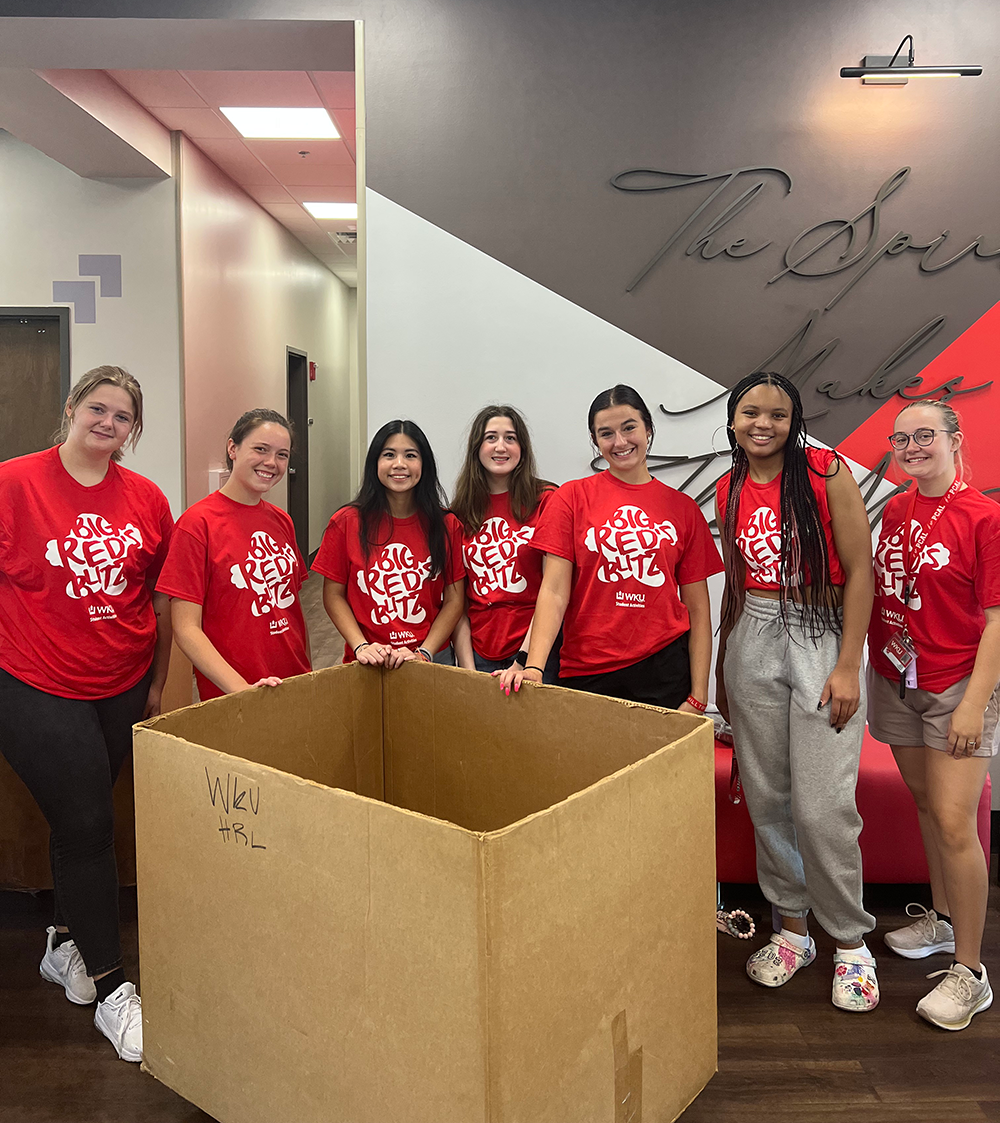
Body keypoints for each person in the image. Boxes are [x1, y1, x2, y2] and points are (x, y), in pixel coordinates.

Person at [0, 365, 173, 1061]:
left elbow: (156, 598)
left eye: (122, 416)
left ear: (133, 429)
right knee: (89, 823)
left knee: (84, 816)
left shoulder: (146, 497)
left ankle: (63, 943)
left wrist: (156, 684)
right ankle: (113, 991)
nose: (107, 423)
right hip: (34, 680)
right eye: (97, 408)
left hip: (120, 680)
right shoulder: (14, 482)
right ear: (72, 407)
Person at [715, 371, 877, 1013]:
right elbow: (734, 581)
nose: (763, 424)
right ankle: (792, 930)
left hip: (819, 631)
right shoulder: (730, 486)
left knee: (823, 805)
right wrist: (725, 673)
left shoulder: (825, 472)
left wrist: (847, 665)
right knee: (768, 797)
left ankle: (851, 944)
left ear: (794, 419)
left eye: (777, 414)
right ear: (732, 421)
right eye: (750, 413)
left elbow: (860, 570)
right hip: (751, 631)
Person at [868, 398, 999, 1030]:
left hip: (955, 685)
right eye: (901, 439)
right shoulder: (896, 507)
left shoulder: (984, 518)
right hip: (898, 677)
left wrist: (975, 704)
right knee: (924, 803)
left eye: (925, 436)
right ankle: (943, 925)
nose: (912, 447)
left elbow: (999, 622)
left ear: (954, 439)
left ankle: (971, 974)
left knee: (953, 821)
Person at [500, 384, 721, 711]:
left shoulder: (683, 509)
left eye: (629, 427)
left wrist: (698, 696)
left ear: (648, 427)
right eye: (606, 433)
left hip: (663, 671)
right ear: (595, 441)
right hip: (586, 669)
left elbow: (698, 611)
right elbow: (554, 591)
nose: (620, 442)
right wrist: (533, 665)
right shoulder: (571, 498)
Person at [157, 409, 311, 699]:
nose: (271, 463)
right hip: (235, 692)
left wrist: (309, 674)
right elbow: (186, 628)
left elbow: (291, 612)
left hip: (294, 682)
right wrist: (241, 690)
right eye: (261, 449)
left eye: (282, 455)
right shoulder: (197, 524)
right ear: (233, 448)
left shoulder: (282, 521)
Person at [313, 420, 464, 667]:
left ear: (424, 464)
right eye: (389, 455)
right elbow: (333, 595)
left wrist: (424, 652)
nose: (399, 464)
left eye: (411, 455)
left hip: (432, 658)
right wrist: (360, 645)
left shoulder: (447, 525)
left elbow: (454, 600)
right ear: (375, 463)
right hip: (368, 659)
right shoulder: (346, 522)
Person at [451, 405, 559, 682]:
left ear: (522, 448)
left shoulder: (547, 500)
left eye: (510, 438)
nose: (501, 446)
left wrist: (525, 660)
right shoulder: (458, 513)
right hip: (479, 652)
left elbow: (555, 588)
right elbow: (457, 602)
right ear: (477, 448)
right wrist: (468, 670)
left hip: (538, 653)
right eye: (491, 438)